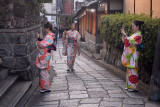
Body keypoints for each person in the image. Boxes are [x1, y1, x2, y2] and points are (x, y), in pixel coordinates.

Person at [121, 21, 144, 92]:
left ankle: (133, 87)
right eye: (132, 26)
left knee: (133, 69)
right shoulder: (134, 34)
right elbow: (126, 41)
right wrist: (123, 35)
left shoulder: (139, 35)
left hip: (134, 54)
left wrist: (125, 34)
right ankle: (129, 85)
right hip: (131, 54)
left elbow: (131, 41)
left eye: (133, 26)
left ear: (138, 27)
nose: (132, 28)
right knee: (129, 69)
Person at [35, 22, 54, 93]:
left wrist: (38, 39)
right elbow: (43, 42)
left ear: (48, 28)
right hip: (46, 54)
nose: (44, 30)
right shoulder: (49, 35)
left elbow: (42, 45)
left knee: (43, 71)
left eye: (45, 28)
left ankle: (45, 87)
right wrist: (40, 38)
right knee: (45, 71)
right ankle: (46, 87)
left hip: (45, 55)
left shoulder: (49, 36)